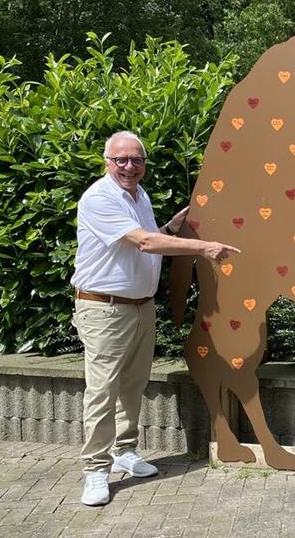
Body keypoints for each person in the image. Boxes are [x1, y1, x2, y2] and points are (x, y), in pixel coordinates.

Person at [72, 131, 239, 507]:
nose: (129, 167)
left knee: (133, 384)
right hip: (104, 308)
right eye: (121, 160)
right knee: (102, 390)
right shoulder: (99, 197)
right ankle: (96, 470)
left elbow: (149, 239)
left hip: (139, 307)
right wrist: (203, 247)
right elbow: (144, 244)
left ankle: (124, 451)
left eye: (136, 160)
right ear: (107, 163)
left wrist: (171, 229)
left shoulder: (139, 195)